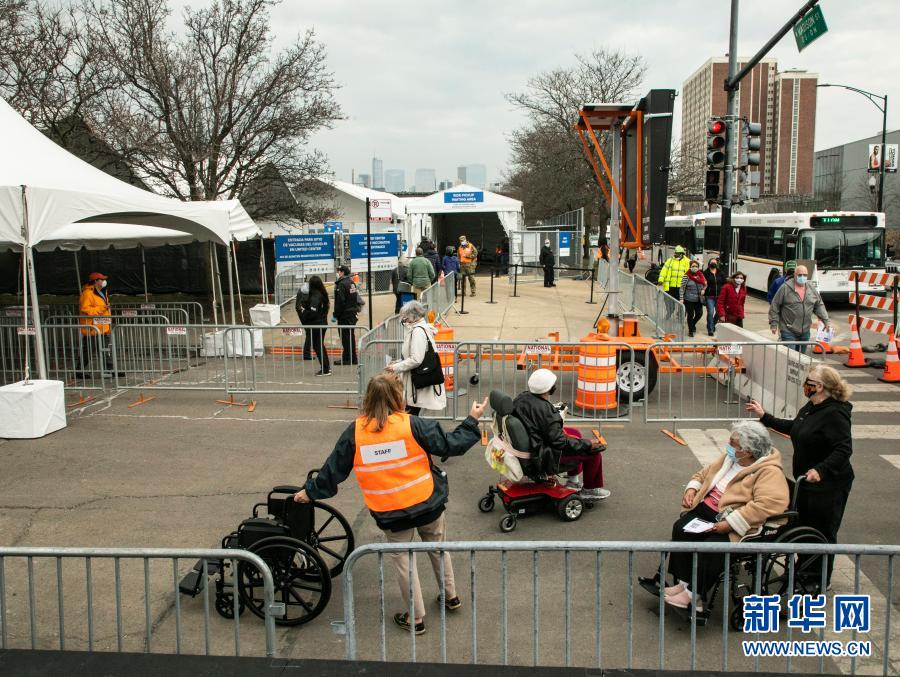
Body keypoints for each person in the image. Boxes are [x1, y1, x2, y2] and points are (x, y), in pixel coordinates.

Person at [294, 372, 487, 635]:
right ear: (398, 396)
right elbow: (450, 445)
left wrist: (310, 492)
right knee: (439, 548)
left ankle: (416, 618)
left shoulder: (356, 432)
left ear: (368, 399)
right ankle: (451, 596)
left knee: (404, 563)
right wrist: (471, 420)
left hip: (392, 513)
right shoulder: (412, 424)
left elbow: (333, 470)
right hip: (428, 501)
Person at [640, 421, 789, 611]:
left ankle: (696, 597)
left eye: (733, 443)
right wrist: (692, 489)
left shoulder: (768, 471)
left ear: (749, 451)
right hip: (710, 509)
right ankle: (684, 584)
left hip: (736, 520)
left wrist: (731, 523)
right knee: (681, 529)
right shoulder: (730, 458)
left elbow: (769, 504)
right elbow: (702, 475)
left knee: (710, 546)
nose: (729, 446)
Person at [746, 365, 853, 586]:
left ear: (820, 387)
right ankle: (805, 570)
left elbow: (843, 449)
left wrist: (820, 470)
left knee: (823, 531)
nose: (805, 384)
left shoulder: (835, 413)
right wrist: (765, 417)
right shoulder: (811, 407)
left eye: (809, 382)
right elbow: (795, 427)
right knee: (805, 526)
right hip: (806, 482)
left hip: (828, 484)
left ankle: (819, 580)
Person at [512, 369, 609, 501]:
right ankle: (590, 490)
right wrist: (587, 443)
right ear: (550, 389)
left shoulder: (522, 398)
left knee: (575, 433)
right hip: (544, 455)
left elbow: (539, 419)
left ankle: (573, 482)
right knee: (594, 452)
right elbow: (561, 443)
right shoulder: (547, 413)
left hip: (534, 442)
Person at [386, 301, 447, 415]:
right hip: (416, 379)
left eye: (405, 316)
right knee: (411, 413)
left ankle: (411, 432)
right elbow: (415, 355)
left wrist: (396, 367)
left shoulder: (418, 331)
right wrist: (399, 362)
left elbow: (416, 359)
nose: (403, 320)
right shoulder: (418, 329)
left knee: (410, 413)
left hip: (416, 380)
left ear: (413, 316)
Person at [768, 264, 831, 353]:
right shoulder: (785, 288)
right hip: (788, 330)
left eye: (805, 275)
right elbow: (775, 305)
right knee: (791, 357)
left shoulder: (811, 289)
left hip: (805, 331)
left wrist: (826, 321)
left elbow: (819, 305)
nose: (802, 277)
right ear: (795, 275)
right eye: (800, 275)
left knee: (801, 358)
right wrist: (773, 323)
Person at [79, 271, 113, 372]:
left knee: (106, 350)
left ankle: (109, 370)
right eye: (101, 279)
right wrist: (102, 309)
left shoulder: (103, 292)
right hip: (92, 329)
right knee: (88, 351)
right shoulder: (87, 294)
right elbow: (85, 309)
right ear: (95, 281)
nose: (104, 281)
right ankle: (79, 370)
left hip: (103, 327)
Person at [299, 275, 331, 376]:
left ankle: (325, 369)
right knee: (319, 345)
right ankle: (326, 367)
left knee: (318, 346)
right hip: (321, 323)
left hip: (317, 325)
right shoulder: (322, 294)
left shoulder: (315, 296)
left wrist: (304, 312)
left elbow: (313, 312)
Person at [333, 265, 361, 365]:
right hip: (352, 314)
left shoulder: (341, 284)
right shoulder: (351, 282)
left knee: (346, 338)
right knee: (350, 337)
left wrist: (335, 315)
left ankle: (347, 359)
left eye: (339, 271)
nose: (338, 273)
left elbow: (340, 302)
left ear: (343, 272)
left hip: (345, 315)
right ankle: (352, 358)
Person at [680, 260, 707, 337]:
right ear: (690, 267)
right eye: (693, 266)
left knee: (699, 313)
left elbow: (705, 284)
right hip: (689, 299)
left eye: (696, 266)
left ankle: (692, 324)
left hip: (698, 299)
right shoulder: (686, 276)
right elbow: (682, 288)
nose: (695, 268)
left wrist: (703, 289)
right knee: (690, 315)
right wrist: (681, 298)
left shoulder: (701, 275)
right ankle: (691, 331)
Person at [702, 258, 726, 337]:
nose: (714, 263)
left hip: (719, 297)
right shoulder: (705, 273)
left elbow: (724, 283)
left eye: (715, 262)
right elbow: (703, 283)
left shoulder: (720, 273)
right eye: (712, 262)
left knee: (719, 313)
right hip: (710, 297)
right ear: (709, 263)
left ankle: (713, 324)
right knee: (710, 313)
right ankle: (710, 330)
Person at [294, 281, 314, 361]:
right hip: (305, 315)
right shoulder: (308, 292)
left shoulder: (302, 289)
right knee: (310, 333)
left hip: (302, 313)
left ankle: (307, 353)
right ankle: (306, 354)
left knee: (309, 333)